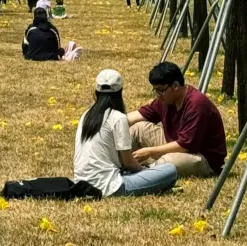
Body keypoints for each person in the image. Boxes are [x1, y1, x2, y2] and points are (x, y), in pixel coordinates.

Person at [74, 69, 177, 197]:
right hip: (110, 187)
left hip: (81, 184)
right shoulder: (117, 117)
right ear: (120, 92)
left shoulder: (86, 115)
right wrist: (146, 172)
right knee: (170, 170)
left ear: (96, 92)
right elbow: (128, 163)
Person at [128, 62, 226, 177]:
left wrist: (150, 151)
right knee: (137, 128)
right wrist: (110, 122)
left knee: (168, 161)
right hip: (177, 145)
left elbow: (184, 146)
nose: (158, 95)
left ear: (175, 86)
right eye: (155, 91)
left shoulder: (196, 104)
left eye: (160, 90)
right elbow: (137, 116)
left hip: (201, 157)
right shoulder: (166, 99)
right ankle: (120, 162)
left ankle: (142, 174)